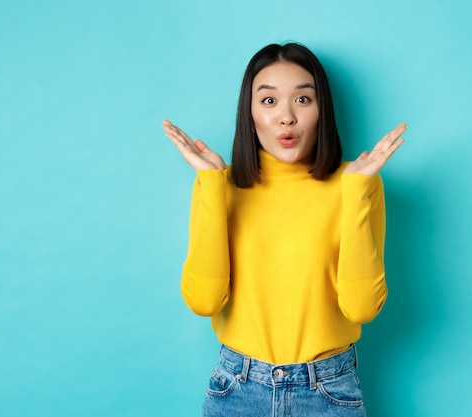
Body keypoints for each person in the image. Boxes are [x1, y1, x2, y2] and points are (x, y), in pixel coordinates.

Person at [163, 42, 406, 417]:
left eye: (303, 100)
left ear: (321, 110)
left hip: (328, 391)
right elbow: (204, 301)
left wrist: (356, 192)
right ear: (250, 112)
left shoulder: (359, 183)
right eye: (269, 101)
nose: (286, 118)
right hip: (237, 389)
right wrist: (211, 184)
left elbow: (360, 309)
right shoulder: (219, 186)